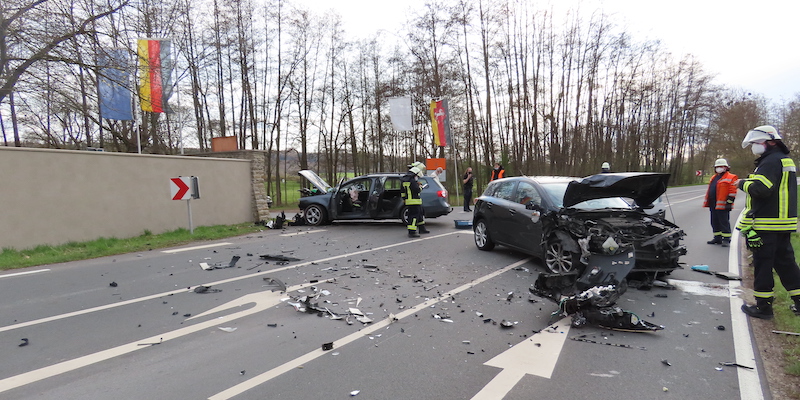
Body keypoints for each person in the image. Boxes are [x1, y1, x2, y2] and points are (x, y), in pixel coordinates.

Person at [737, 125, 800, 319]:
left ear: (770, 141)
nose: (754, 147)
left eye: (756, 143)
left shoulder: (770, 161)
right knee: (786, 264)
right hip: (783, 223)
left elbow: (762, 189)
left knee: (763, 265)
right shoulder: (783, 160)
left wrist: (742, 183)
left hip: (767, 223)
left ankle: (763, 308)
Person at [703, 158, 738, 247]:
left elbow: (732, 191)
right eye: (717, 167)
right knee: (714, 221)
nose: (719, 168)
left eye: (721, 166)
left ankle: (726, 239)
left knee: (724, 222)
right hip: (713, 203)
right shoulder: (714, 177)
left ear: (726, 167)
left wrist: (729, 203)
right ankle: (717, 237)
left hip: (723, 204)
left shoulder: (731, 177)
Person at [401, 161, 430, 237]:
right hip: (414, 201)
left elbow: (402, 191)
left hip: (410, 201)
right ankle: (412, 232)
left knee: (420, 214)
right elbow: (416, 190)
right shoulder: (412, 181)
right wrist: (420, 187)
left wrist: (404, 198)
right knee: (414, 216)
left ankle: (422, 228)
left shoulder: (405, 179)